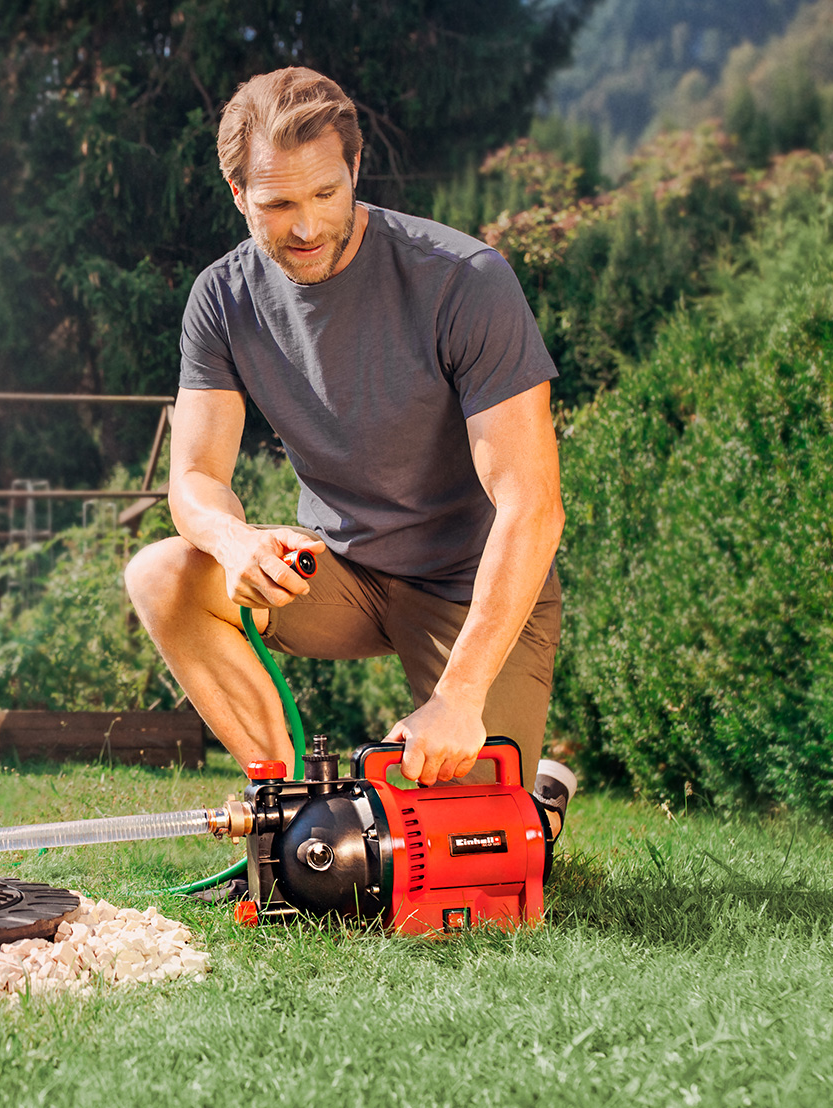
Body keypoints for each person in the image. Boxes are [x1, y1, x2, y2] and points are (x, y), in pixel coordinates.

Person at [124, 66, 576, 833]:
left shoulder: (463, 282)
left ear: (355, 171)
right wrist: (234, 541)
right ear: (238, 196)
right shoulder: (222, 299)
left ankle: (538, 799)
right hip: (341, 574)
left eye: (326, 195)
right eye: (278, 205)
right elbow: (196, 476)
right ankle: (291, 813)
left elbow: (533, 506)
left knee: (468, 841)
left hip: (468, 587)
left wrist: (461, 697)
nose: (306, 227)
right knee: (164, 572)